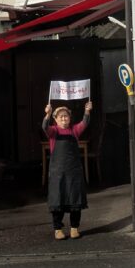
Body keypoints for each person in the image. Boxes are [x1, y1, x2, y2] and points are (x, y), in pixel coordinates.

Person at [42, 100, 92, 240]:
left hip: (74, 172)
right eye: (61, 117)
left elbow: (85, 123)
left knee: (75, 201)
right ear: (56, 119)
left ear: (70, 118)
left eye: (66, 116)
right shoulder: (53, 131)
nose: (64, 119)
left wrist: (87, 111)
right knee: (58, 201)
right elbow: (45, 126)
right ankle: (58, 229)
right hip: (58, 173)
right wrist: (47, 114)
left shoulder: (74, 130)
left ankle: (74, 228)